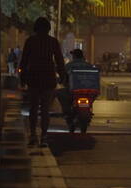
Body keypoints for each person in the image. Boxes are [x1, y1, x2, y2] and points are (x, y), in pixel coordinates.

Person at [19, 17, 65, 147]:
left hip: (33, 78)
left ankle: (33, 135)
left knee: (33, 108)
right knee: (45, 110)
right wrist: (62, 76)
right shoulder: (53, 42)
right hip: (48, 79)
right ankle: (44, 136)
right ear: (48, 29)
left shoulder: (30, 41)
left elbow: (24, 61)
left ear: (35, 28)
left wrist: (22, 78)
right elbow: (60, 61)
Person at [56, 49, 95, 131]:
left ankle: (67, 114)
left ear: (74, 56)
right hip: (88, 91)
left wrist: (60, 81)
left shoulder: (69, 65)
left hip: (72, 91)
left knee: (60, 93)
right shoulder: (89, 65)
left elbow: (63, 77)